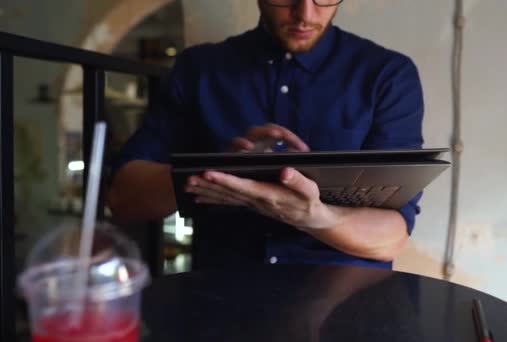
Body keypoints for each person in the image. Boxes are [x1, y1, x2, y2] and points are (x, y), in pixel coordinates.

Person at [108, 0, 424, 269]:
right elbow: (124, 199)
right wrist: (219, 169)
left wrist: (315, 217)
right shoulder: (199, 69)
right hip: (220, 301)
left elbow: (391, 238)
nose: (306, 14)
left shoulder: (387, 76)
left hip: (345, 314)